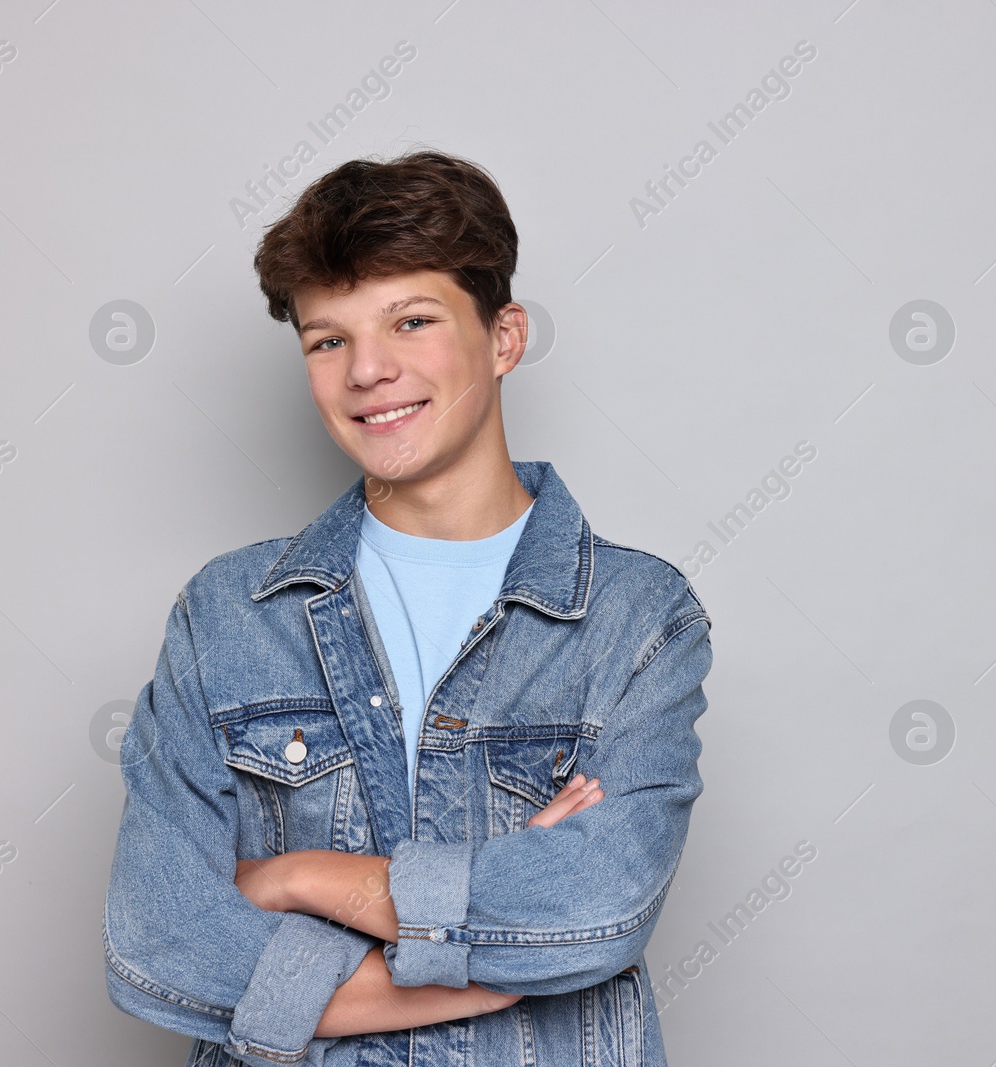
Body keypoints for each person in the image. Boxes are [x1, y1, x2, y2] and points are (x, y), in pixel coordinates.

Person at [102, 149, 713, 1066]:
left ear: (504, 338)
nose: (367, 371)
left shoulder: (635, 615)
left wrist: (295, 876)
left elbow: (599, 909)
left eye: (412, 320)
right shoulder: (226, 613)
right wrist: (494, 958)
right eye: (328, 338)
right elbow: (159, 942)